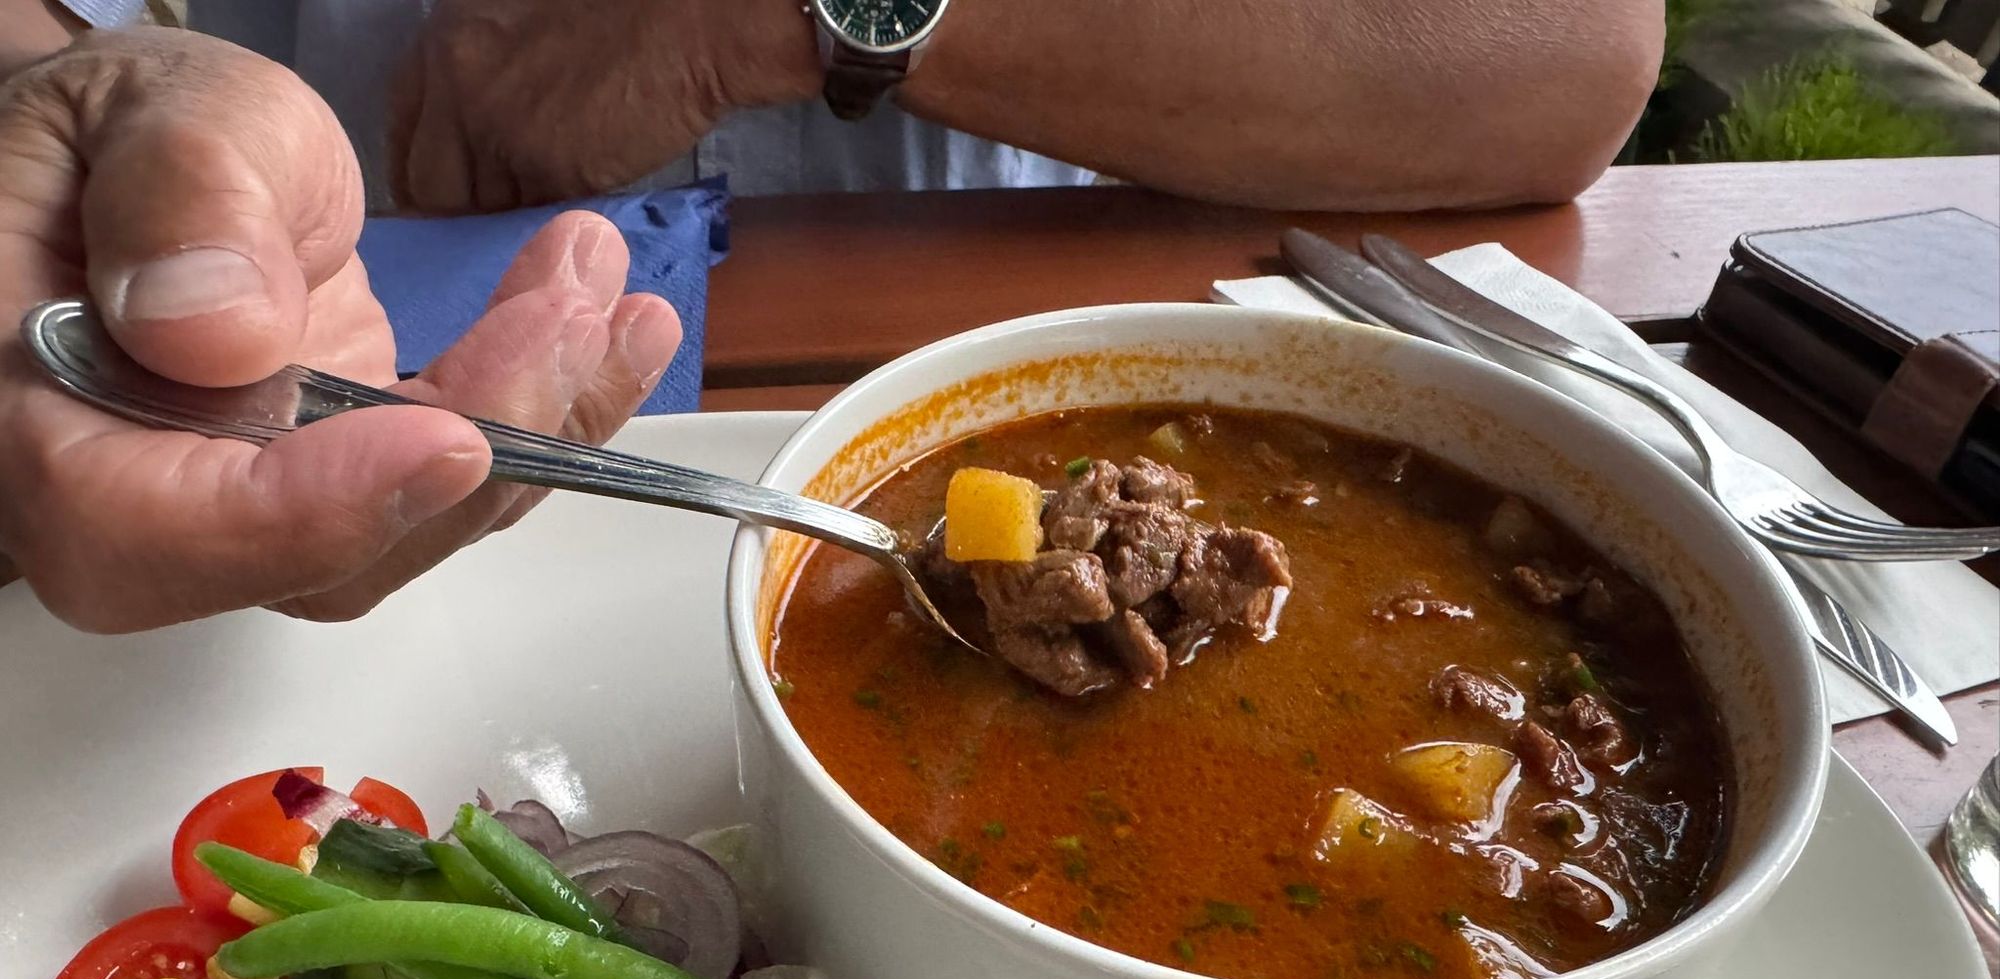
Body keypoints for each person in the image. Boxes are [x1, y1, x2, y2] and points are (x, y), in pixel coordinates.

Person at [0, 0, 1663, 630]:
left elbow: (1564, 61)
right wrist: (68, 108)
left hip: (1035, 339)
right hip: (295, 334)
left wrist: (781, 13)